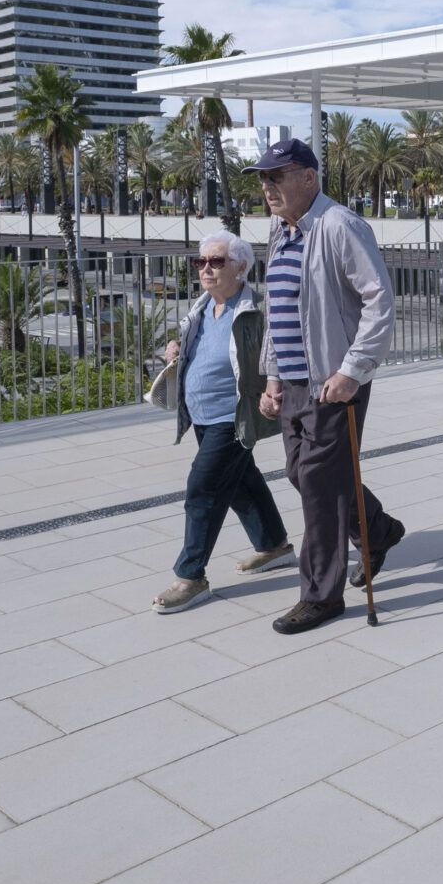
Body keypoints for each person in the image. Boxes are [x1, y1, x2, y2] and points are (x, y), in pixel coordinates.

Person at [251, 137, 407, 634]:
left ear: (308, 178)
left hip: (333, 381)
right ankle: (378, 530)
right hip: (294, 382)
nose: (267, 187)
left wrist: (351, 371)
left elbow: (379, 301)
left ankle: (321, 595)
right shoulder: (280, 231)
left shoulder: (339, 225)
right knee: (303, 474)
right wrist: (272, 377)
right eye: (263, 178)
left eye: (277, 177)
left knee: (319, 486)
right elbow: (278, 312)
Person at [152, 233, 289, 614]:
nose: (206, 269)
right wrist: (176, 349)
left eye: (216, 261)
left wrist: (273, 390)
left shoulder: (254, 311)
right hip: (201, 414)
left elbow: (275, 354)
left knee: (203, 487)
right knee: (242, 480)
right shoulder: (201, 309)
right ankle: (274, 544)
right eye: (201, 262)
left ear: (240, 267)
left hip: (233, 415)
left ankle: (190, 576)